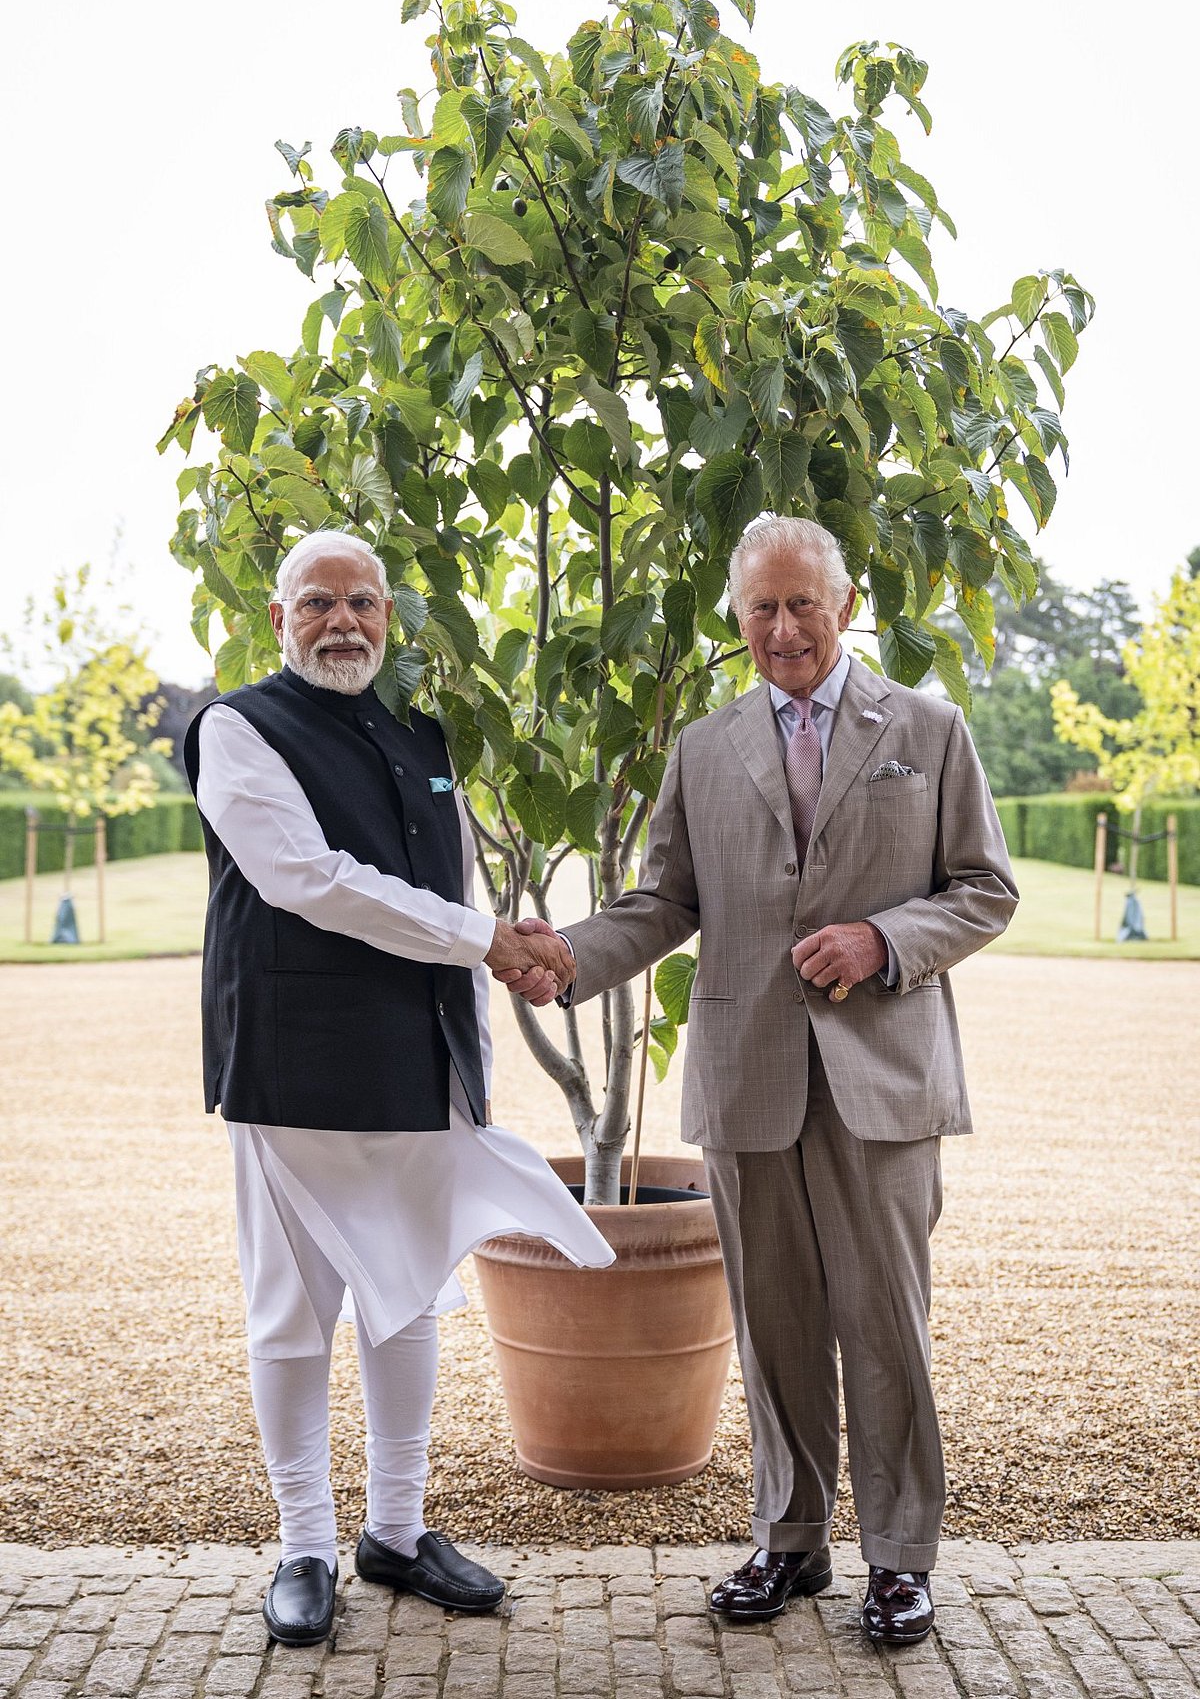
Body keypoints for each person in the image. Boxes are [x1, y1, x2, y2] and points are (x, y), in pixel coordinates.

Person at [497, 515, 1017, 1645]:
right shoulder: (704, 745)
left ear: (846, 601)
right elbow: (667, 900)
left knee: (885, 1321)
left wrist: (883, 939)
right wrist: (572, 956)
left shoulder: (928, 730)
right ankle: (790, 1543)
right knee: (771, 1321)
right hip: (748, 1077)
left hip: (883, 1073)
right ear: (736, 617)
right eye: (760, 609)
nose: (782, 629)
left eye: (802, 604)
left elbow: (986, 887)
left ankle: (900, 1560)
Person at [183, 530, 610, 1648]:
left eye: (363, 602)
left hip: (422, 1066)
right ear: (280, 620)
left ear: (388, 616)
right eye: (318, 602)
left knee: (410, 1293)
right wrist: (488, 941)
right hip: (292, 1059)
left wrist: (475, 1040)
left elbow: (442, 881)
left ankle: (399, 1531)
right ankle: (306, 1544)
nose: (343, 623)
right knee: (295, 1309)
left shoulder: (425, 734)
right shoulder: (236, 728)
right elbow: (307, 880)